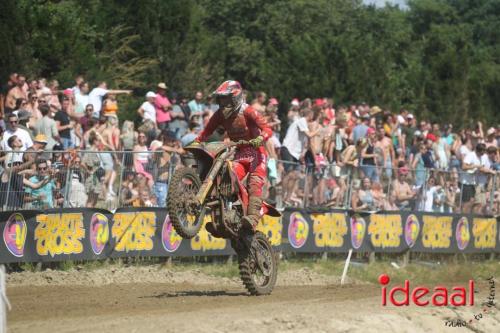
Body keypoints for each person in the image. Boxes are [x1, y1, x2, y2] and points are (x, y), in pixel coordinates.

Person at [193, 80, 272, 234]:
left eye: (225, 98)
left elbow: (267, 128)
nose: (222, 103)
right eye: (220, 99)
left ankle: (252, 218)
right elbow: (206, 131)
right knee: (228, 176)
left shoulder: (248, 111)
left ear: (235, 98)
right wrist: (196, 142)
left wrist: (260, 138)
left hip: (257, 153)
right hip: (240, 153)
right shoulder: (220, 115)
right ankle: (226, 215)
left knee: (255, 183)